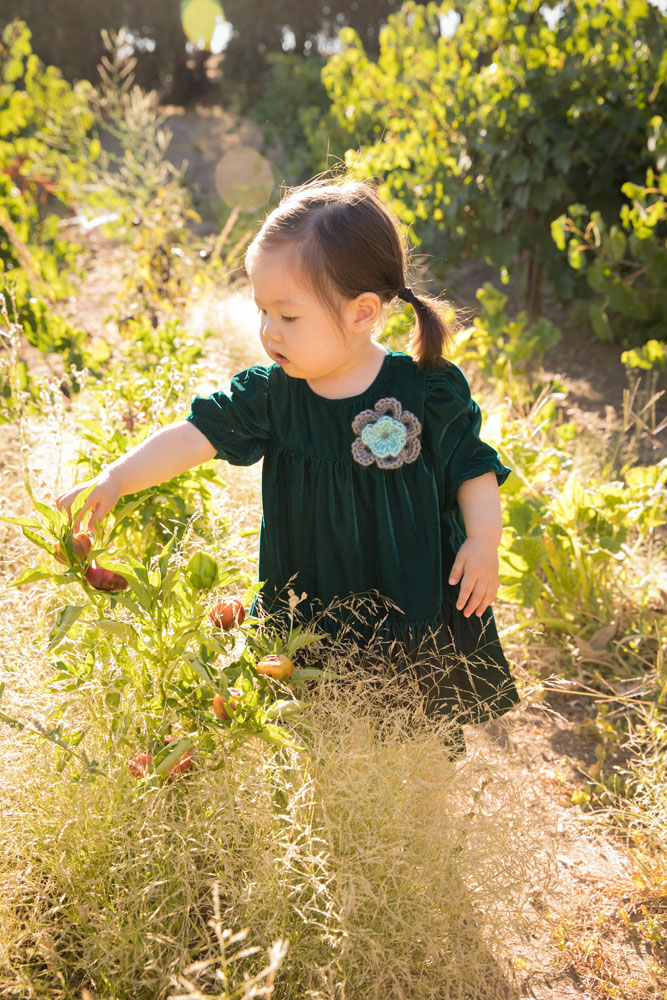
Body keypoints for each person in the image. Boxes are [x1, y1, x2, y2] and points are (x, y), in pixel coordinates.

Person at [57, 178, 519, 736]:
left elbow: (470, 468)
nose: (269, 332)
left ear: (362, 312)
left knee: (408, 723)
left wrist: (482, 540)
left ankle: (406, 787)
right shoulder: (273, 395)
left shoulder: (426, 389)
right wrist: (116, 477)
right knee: (309, 718)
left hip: (404, 588)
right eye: (262, 311)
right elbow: (192, 435)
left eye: (289, 316)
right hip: (308, 595)